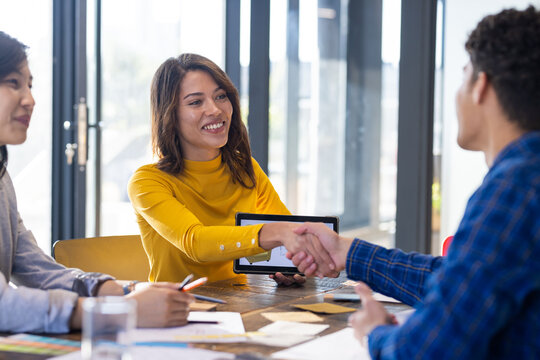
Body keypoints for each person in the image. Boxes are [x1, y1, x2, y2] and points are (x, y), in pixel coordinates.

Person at [289, 6, 540, 359]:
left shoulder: (514, 188)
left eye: (463, 74)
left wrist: (374, 333)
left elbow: (429, 350)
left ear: (481, 86)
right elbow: (459, 281)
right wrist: (349, 252)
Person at [0, 31, 193, 334]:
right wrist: (118, 311)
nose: (30, 100)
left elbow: (31, 266)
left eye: (30, 85)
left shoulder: (1, 176)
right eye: (13, 83)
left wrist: (118, 290)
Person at [127, 53, 333, 286]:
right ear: (170, 115)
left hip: (239, 307)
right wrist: (278, 233)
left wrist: (292, 263)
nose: (215, 110)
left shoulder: (245, 168)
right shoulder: (148, 181)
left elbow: (286, 232)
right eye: (196, 102)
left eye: (221, 96)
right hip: (176, 310)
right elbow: (196, 243)